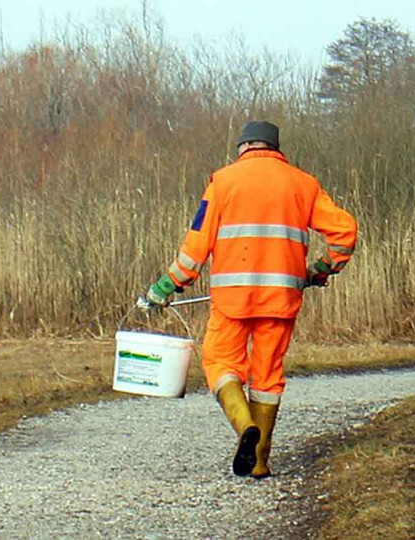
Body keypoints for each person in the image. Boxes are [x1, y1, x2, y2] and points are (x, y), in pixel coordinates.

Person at [143, 121, 358, 478]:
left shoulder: (223, 182)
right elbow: (345, 233)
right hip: (282, 298)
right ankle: (259, 461)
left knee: (220, 362)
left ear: (242, 147)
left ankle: (245, 428)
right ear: (276, 148)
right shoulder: (303, 184)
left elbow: (196, 247)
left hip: (232, 299)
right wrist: (321, 269)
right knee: (267, 377)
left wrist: (167, 285)